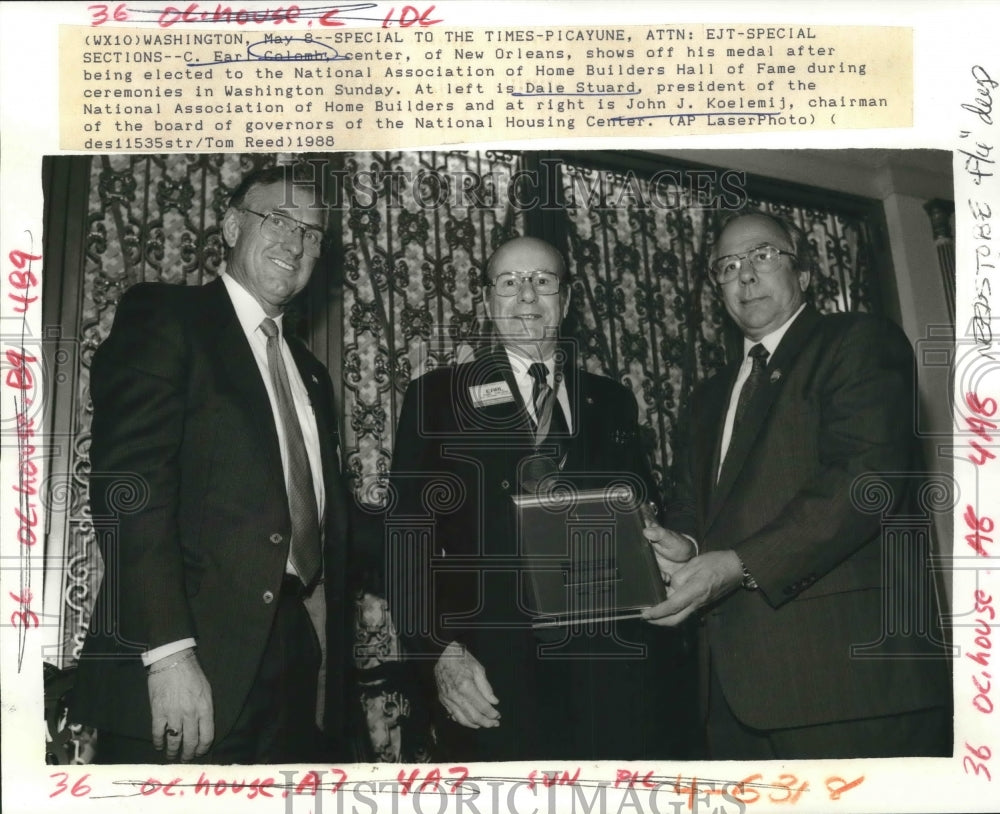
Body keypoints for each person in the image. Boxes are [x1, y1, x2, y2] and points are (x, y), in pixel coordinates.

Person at [72, 165, 354, 764]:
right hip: (184, 661)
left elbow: (331, 521)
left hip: (294, 666)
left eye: (310, 233)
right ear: (230, 225)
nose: (293, 242)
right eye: (276, 220)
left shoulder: (312, 374)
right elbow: (131, 488)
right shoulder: (166, 318)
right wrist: (168, 652)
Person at [644, 212, 952, 759]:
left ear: (803, 273)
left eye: (762, 255)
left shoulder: (859, 342)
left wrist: (737, 563)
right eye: (728, 266)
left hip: (850, 687)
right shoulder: (706, 398)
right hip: (730, 700)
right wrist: (684, 546)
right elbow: (693, 504)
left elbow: (864, 481)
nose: (744, 276)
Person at [387, 236, 697, 762]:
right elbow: (404, 538)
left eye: (543, 281)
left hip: (614, 676)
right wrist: (438, 652)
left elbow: (646, 515)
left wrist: (671, 546)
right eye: (510, 283)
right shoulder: (435, 398)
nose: (527, 296)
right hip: (492, 674)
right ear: (488, 303)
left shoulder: (612, 400)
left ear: (567, 301)